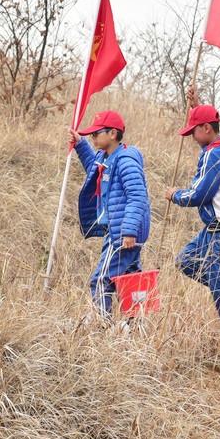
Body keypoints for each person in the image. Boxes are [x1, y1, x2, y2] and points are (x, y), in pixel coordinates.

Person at [166, 104, 220, 346]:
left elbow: (198, 195)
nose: (192, 137)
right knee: (186, 260)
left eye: (194, 131)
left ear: (207, 128)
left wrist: (175, 195)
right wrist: (195, 102)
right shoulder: (219, 147)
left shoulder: (214, 154)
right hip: (213, 228)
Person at [69, 110, 150, 317]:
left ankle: (100, 327)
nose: (92, 137)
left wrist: (129, 231)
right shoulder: (106, 158)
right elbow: (93, 168)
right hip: (117, 231)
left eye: (96, 133)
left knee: (102, 279)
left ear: (113, 134)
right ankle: (135, 326)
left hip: (123, 234)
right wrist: (80, 144)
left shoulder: (125, 161)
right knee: (132, 280)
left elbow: (137, 196)